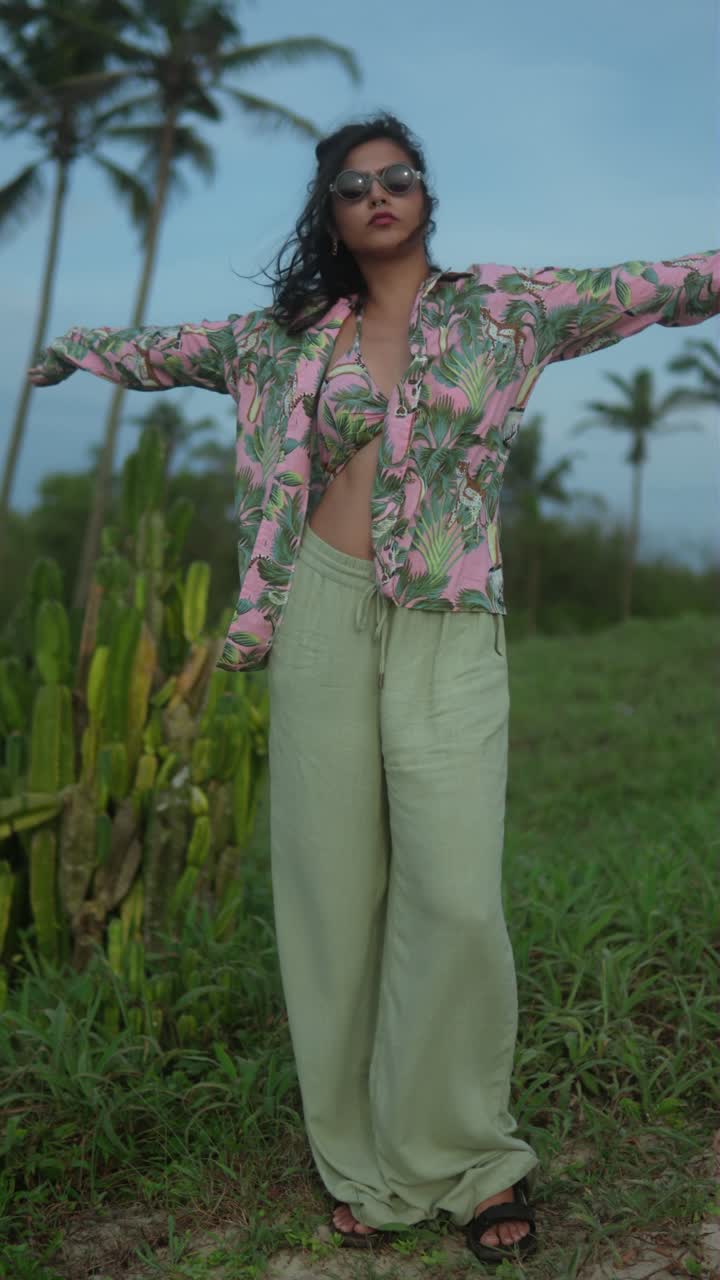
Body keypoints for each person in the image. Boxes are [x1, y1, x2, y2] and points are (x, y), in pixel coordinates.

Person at [28, 111, 720, 1267]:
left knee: (451, 894)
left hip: (448, 617)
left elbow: (667, 282)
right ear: (332, 212)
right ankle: (362, 1163)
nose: (379, 195)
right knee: (332, 894)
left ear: (426, 196)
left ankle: (465, 1155)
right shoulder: (280, 337)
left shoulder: (508, 308)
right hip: (318, 609)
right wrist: (67, 348)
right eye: (354, 185)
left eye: (398, 177)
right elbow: (162, 351)